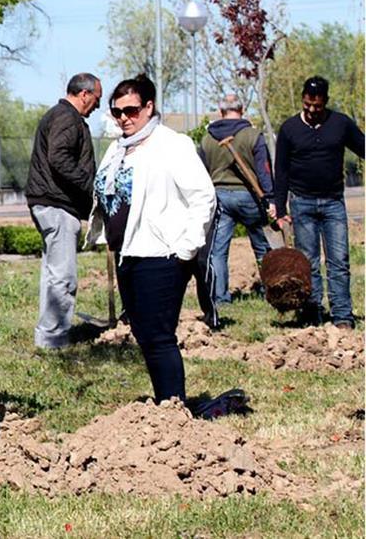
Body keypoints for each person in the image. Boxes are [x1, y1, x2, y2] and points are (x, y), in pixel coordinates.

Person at [87, 74, 215, 404]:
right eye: (117, 112)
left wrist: (186, 247)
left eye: (130, 110)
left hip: (162, 254)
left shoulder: (173, 145)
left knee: (158, 336)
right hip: (128, 253)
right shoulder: (118, 149)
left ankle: (173, 408)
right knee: (144, 334)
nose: (124, 118)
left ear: (148, 106)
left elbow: (204, 197)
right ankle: (165, 405)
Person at [274, 76, 365, 328]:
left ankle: (342, 316)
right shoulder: (289, 129)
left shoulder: (341, 124)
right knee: (309, 263)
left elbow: (363, 147)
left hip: (333, 203)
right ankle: (312, 314)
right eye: (307, 105)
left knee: (339, 261)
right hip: (302, 203)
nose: (312, 111)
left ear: (326, 102)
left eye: (317, 106)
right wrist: (280, 209)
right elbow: (280, 172)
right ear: (303, 100)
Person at [25, 72, 101, 349]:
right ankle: (54, 339)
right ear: (84, 94)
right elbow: (59, 157)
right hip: (57, 205)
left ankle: (48, 335)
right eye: (97, 99)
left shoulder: (58, 115)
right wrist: (91, 186)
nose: (98, 106)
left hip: (48, 202)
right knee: (63, 276)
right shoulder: (67, 118)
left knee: (52, 273)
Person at [198, 94, 275, 308]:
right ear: (241, 109)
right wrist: (271, 199)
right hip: (249, 197)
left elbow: (200, 173)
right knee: (262, 246)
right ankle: (272, 289)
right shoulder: (253, 135)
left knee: (218, 251)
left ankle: (220, 298)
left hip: (220, 197)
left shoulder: (207, 139)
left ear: (221, 111)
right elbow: (264, 171)